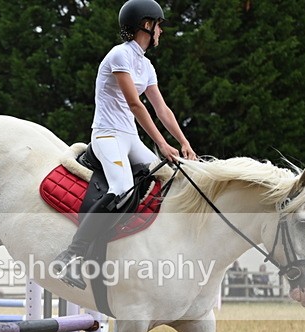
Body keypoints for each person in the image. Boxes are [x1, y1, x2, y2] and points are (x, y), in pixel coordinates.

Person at [54, 0, 197, 290]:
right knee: (121, 187)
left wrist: (184, 143)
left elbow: (162, 109)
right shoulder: (119, 55)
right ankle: (71, 254)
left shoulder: (146, 65)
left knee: (167, 178)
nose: (161, 31)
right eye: (159, 25)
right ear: (146, 25)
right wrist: (162, 144)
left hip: (130, 139)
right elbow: (135, 104)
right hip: (107, 136)